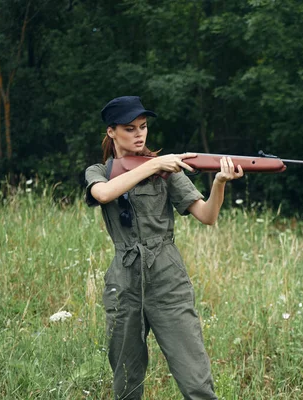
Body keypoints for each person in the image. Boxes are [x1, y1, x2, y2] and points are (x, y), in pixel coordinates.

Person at [84, 96, 243, 399]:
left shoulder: (169, 170)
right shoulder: (100, 171)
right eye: (130, 128)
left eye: (143, 127)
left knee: (196, 381)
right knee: (127, 382)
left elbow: (207, 216)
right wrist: (154, 163)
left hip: (168, 277)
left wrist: (220, 182)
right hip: (124, 279)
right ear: (111, 132)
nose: (139, 134)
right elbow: (103, 194)